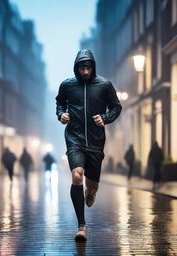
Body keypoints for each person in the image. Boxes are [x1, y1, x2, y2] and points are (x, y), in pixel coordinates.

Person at [56, 49, 122, 241]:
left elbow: (116, 107)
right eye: (82, 67)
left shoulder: (104, 85)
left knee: (91, 186)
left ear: (93, 67)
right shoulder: (67, 85)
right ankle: (81, 226)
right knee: (77, 175)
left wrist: (105, 118)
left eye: (88, 67)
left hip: (95, 141)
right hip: (74, 138)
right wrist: (62, 115)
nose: (85, 71)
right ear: (76, 68)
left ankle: (90, 191)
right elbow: (60, 103)